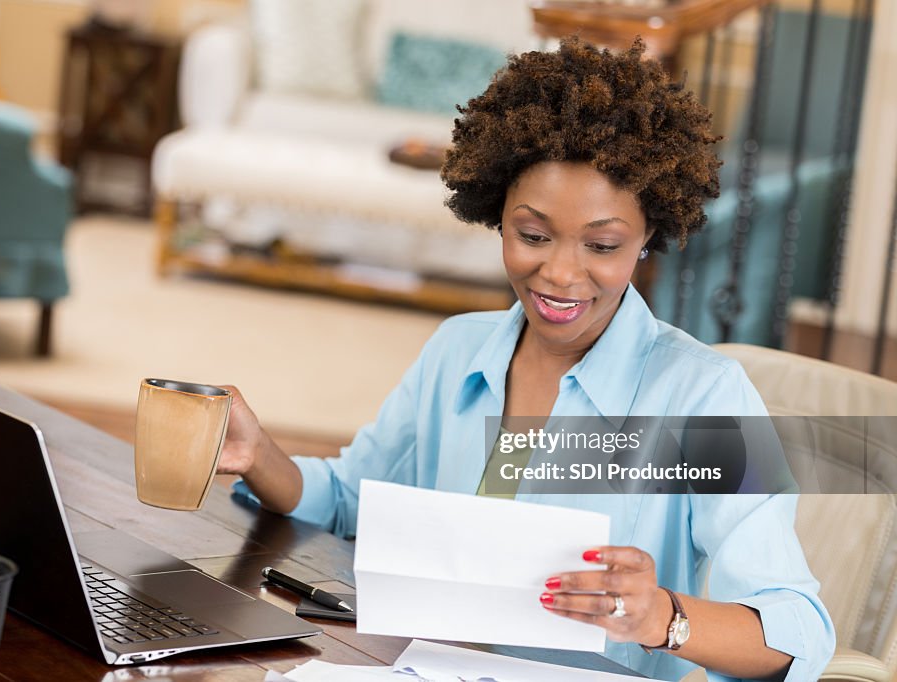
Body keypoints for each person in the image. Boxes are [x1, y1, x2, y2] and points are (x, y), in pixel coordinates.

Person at [216, 37, 835, 681]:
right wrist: (258, 454)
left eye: (602, 245)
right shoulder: (459, 351)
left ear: (648, 233)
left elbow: (799, 631)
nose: (560, 274)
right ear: (497, 215)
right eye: (532, 236)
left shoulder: (704, 395)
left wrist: (660, 617)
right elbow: (351, 501)